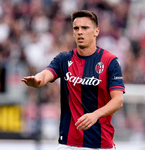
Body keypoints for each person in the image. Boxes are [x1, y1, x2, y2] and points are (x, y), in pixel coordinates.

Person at [21, 10, 125, 150]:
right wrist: (37, 80)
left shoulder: (110, 61)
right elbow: (46, 74)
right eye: (76, 28)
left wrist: (95, 115)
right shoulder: (64, 59)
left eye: (85, 28)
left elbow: (118, 101)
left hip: (100, 144)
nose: (80, 32)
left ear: (96, 31)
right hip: (68, 144)